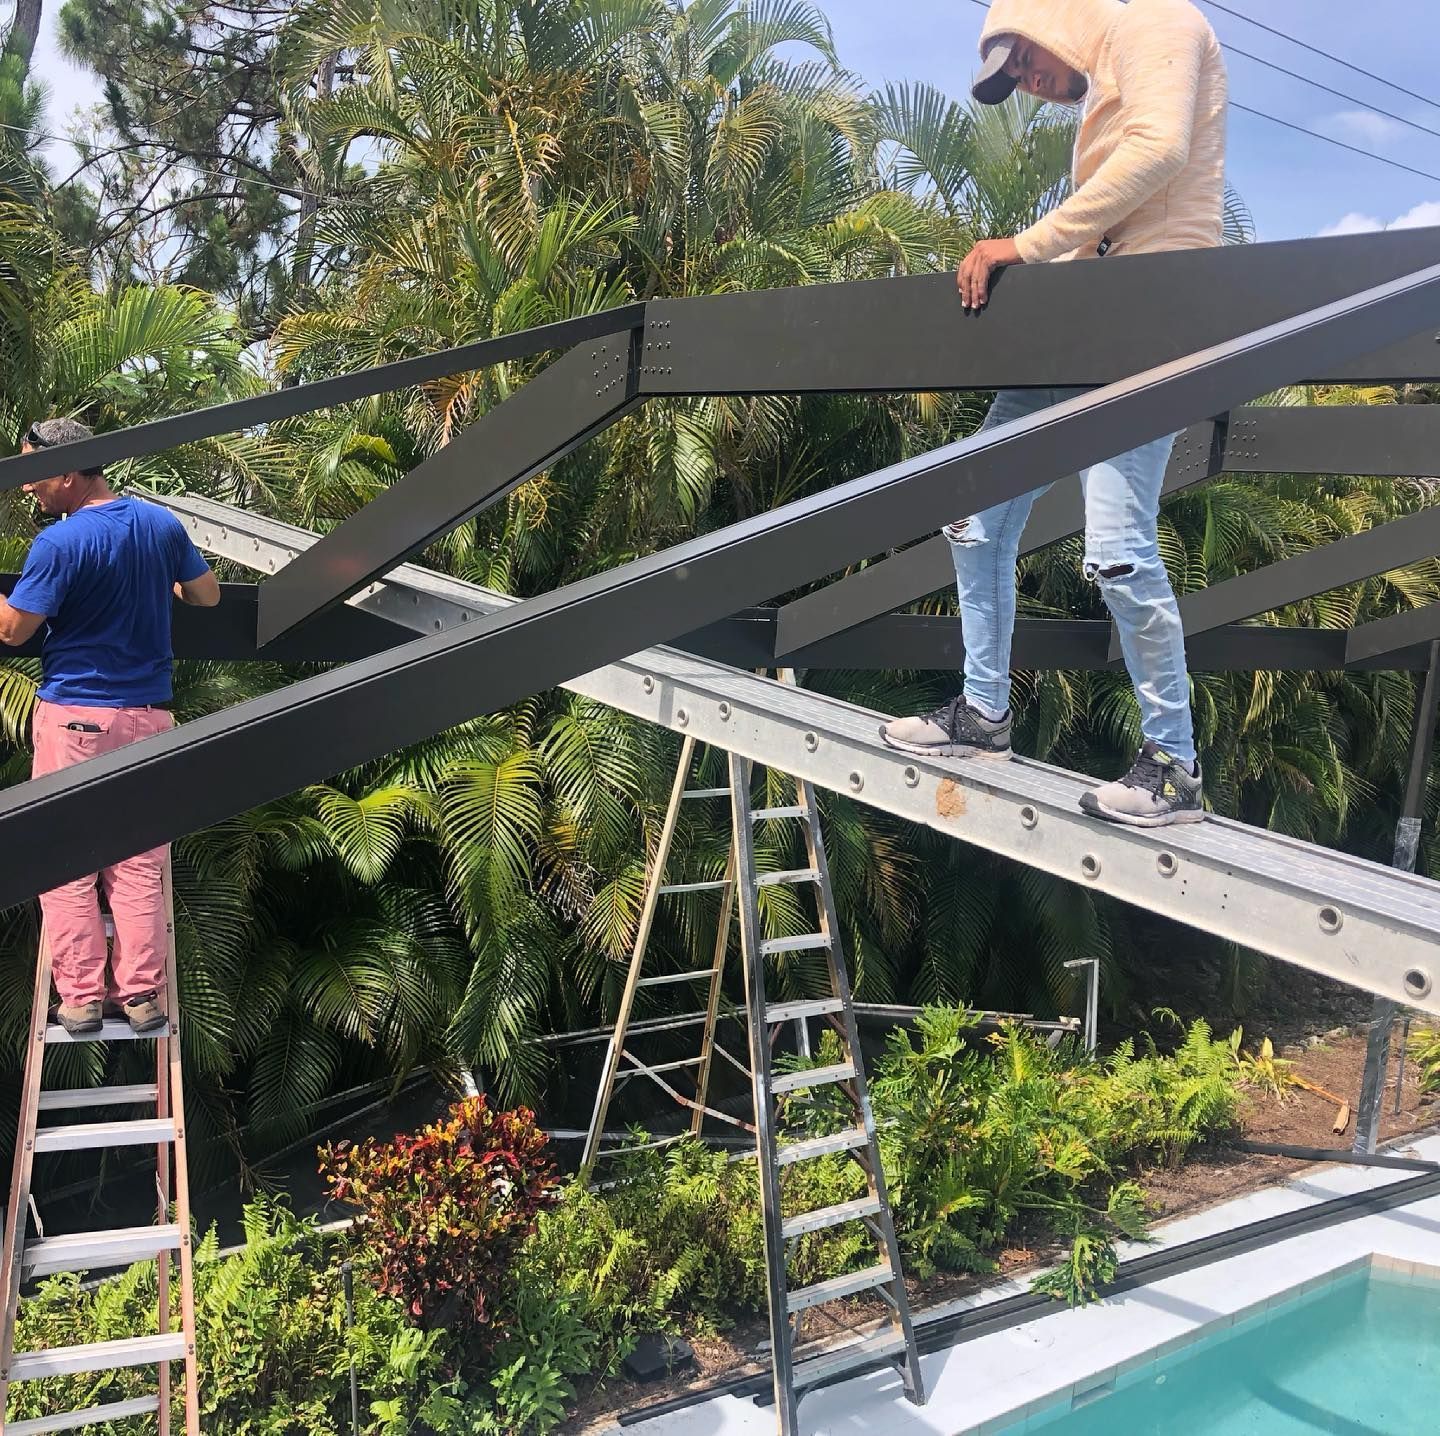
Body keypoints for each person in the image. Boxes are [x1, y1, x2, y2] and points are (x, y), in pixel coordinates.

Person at [880, 0, 1227, 828]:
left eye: (1027, 62)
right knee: (973, 516)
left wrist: (1022, 247)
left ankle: (1174, 767)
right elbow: (1096, 233)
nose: (1030, 83)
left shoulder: (1157, 22)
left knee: (1117, 550)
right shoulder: (1102, 80)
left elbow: (1161, 150)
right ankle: (983, 716)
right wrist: (1026, 285)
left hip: (1152, 321)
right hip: (1081, 326)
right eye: (1015, 80)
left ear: (1054, 20)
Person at [0, 417, 220, 1034]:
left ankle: (81, 998)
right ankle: (142, 994)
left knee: (65, 857)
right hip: (148, 719)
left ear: (70, 473)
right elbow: (207, 596)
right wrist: (164, 583)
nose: (27, 486)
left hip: (75, 718)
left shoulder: (59, 543)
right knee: (139, 860)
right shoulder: (158, 524)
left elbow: (13, 631)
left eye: (32, 472)